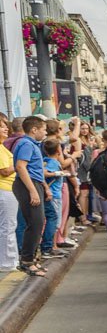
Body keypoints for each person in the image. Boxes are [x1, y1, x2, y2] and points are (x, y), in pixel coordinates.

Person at [12, 116, 47, 276]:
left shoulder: (31, 144)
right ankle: (26, 261)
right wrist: (33, 190)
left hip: (34, 183)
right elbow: (20, 166)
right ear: (34, 129)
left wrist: (43, 187)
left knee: (38, 222)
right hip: (27, 184)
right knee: (35, 223)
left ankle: (31, 258)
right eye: (43, 129)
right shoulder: (26, 144)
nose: (45, 132)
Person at [0, 127, 17, 271]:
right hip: (5, 189)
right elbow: (5, 171)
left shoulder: (2, 147)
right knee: (8, 226)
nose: (5, 128)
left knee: (8, 226)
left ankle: (10, 260)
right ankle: (7, 262)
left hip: (8, 189)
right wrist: (19, 164)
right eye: (1, 126)